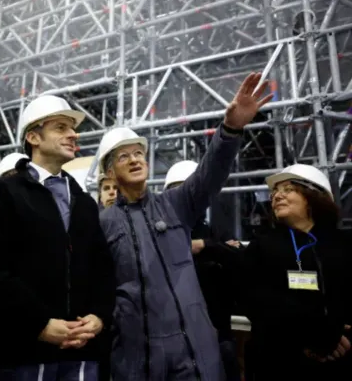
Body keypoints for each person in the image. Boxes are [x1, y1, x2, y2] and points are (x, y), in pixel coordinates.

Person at [98, 72, 273, 380]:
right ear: (109, 174)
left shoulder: (175, 204)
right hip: (138, 358)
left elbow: (209, 175)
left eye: (139, 153)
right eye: (124, 156)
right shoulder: (103, 223)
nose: (135, 159)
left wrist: (230, 130)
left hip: (195, 350)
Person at [0, 95, 115, 380]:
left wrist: (99, 317)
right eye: (61, 127)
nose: (73, 134)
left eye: (72, 129)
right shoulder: (2, 193)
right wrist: (38, 324)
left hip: (83, 351)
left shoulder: (84, 203)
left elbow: (103, 268)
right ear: (34, 137)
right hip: (23, 352)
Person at [224, 164, 352, 380]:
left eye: (288, 189)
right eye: (275, 192)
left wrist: (339, 336)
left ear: (313, 196)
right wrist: (313, 335)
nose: (276, 196)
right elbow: (252, 301)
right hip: (278, 362)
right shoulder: (262, 246)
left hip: (338, 358)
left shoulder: (343, 244)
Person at [164, 160, 241, 381]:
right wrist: (216, 249)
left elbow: (237, 258)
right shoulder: (161, 230)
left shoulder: (215, 228)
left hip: (218, 332)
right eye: (178, 190)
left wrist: (203, 246)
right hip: (174, 338)